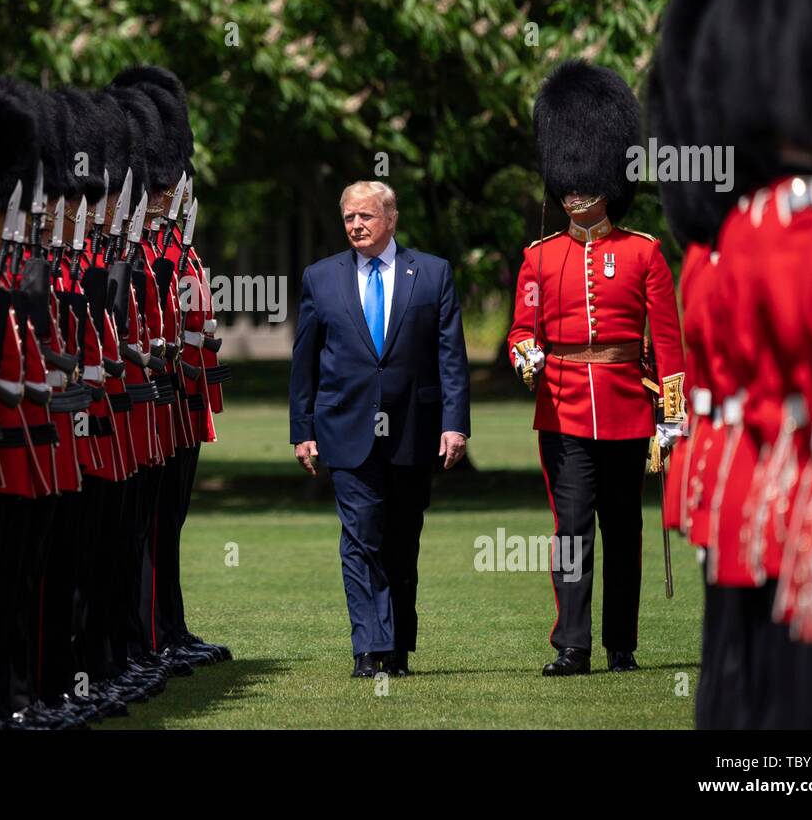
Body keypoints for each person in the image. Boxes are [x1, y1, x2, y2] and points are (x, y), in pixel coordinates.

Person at [506, 60, 685, 677]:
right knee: (571, 529)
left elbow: (667, 341)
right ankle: (572, 644)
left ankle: (621, 643)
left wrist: (672, 417)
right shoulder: (539, 258)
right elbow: (522, 328)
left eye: (586, 182)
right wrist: (523, 353)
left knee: (625, 531)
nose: (576, 193)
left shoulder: (644, 254)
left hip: (629, 410)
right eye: (568, 184)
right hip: (562, 408)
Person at [289, 180, 470, 678]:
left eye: (366, 216)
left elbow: (450, 357)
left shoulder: (432, 273)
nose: (356, 225)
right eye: (348, 217)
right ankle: (369, 649)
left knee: (401, 541)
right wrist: (302, 429)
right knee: (360, 538)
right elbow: (303, 361)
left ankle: (398, 649)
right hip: (344, 429)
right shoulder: (320, 278)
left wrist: (454, 425)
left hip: (414, 429)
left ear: (391, 219)